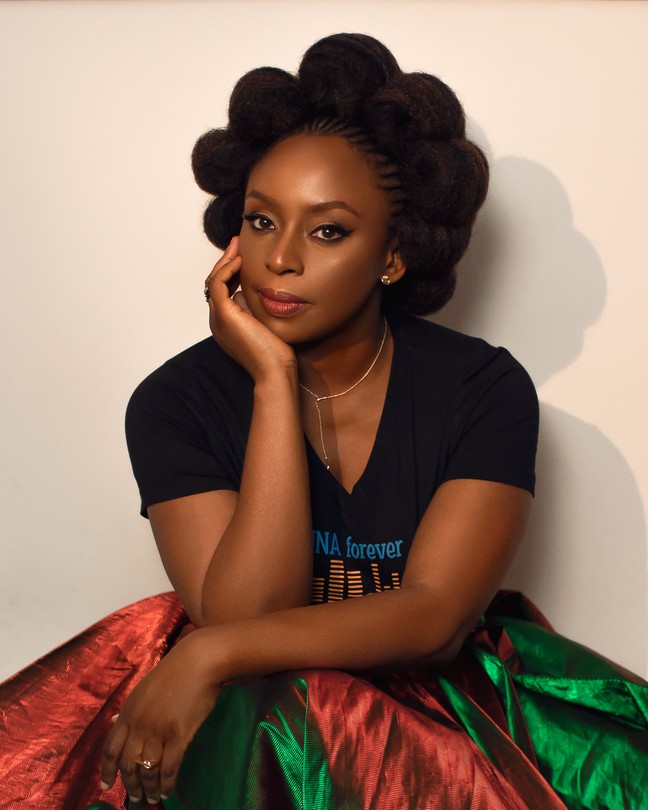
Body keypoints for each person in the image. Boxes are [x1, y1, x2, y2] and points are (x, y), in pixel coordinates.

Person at [1, 33, 646, 810]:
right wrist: (272, 382)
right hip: (248, 702)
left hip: (434, 699)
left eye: (329, 230)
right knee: (266, 722)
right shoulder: (176, 401)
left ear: (394, 256)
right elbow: (245, 615)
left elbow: (435, 615)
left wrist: (211, 653)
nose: (282, 259)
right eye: (263, 222)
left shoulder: (481, 387)